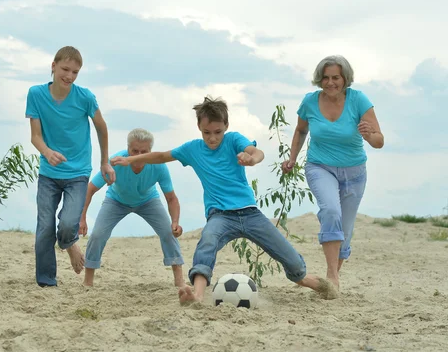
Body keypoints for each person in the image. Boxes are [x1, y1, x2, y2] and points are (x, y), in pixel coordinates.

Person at [111, 96, 337, 305]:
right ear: (199, 127)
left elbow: (256, 152)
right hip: (219, 215)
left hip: (250, 213)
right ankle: (197, 295)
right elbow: (161, 156)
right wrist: (131, 159)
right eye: (207, 132)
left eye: (217, 132)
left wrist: (251, 158)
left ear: (226, 127)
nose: (212, 138)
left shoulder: (233, 140)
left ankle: (311, 281)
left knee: (289, 256)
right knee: (206, 242)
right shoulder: (192, 149)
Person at [282, 55, 384, 291]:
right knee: (330, 210)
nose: (330, 82)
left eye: (335, 77)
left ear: (345, 78)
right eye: (325, 77)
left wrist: (369, 135)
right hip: (320, 166)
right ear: (319, 79)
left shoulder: (359, 100)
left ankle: (331, 280)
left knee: (345, 231)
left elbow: (379, 141)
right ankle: (332, 275)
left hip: (355, 172)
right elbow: (300, 130)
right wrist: (292, 158)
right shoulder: (310, 101)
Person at [25, 46, 116, 287]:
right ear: (53, 66)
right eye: (65, 69)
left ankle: (68, 243)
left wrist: (104, 162)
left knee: (67, 224)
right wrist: (47, 152)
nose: (70, 76)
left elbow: (101, 126)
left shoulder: (85, 97)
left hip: (78, 173)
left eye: (75, 72)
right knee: (45, 227)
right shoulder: (35, 94)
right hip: (48, 173)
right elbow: (35, 136)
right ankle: (46, 282)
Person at [79, 128, 185, 288]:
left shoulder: (158, 166)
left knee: (168, 232)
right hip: (116, 200)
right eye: (134, 150)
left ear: (151, 151)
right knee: (98, 235)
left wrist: (175, 222)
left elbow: (171, 198)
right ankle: (88, 281)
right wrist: (82, 218)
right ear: (128, 149)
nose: (138, 155)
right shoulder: (115, 162)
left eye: (144, 151)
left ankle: (179, 280)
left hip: (148, 200)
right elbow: (90, 189)